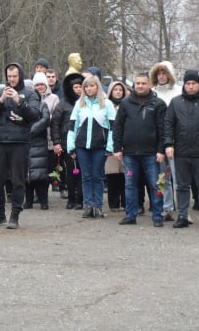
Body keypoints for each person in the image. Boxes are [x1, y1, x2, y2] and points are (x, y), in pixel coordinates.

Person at [0, 62, 41, 229]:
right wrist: (2, 99)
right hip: (0, 141)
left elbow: (34, 114)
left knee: (18, 180)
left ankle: (15, 215)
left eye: (15, 76)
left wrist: (18, 101)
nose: (12, 79)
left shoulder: (30, 93)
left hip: (20, 142)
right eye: (9, 77)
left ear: (21, 75)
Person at [164, 69, 199, 229]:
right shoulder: (176, 102)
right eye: (188, 83)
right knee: (182, 186)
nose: (190, 86)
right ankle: (182, 216)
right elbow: (168, 124)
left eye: (193, 83)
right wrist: (168, 144)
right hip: (181, 151)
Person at [113, 72, 167, 226]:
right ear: (134, 85)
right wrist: (117, 148)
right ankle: (131, 214)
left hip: (151, 154)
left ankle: (157, 216)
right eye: (138, 83)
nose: (140, 86)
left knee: (155, 184)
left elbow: (163, 129)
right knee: (130, 185)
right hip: (129, 154)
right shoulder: (125, 103)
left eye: (144, 83)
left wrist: (161, 150)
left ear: (150, 85)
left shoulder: (158, 104)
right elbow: (118, 127)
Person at [67, 74, 116, 219]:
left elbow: (113, 128)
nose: (89, 89)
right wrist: (71, 146)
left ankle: (98, 206)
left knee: (97, 176)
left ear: (97, 87)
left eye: (92, 86)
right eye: (86, 86)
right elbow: (72, 127)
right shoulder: (79, 104)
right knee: (86, 176)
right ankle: (88, 205)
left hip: (99, 145)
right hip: (82, 145)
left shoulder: (106, 104)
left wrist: (110, 147)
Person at [150, 61, 183, 220]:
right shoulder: (152, 93)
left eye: (164, 73)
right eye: (159, 73)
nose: (161, 76)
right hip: (159, 141)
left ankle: (182, 209)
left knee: (178, 177)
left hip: (177, 140)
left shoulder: (178, 92)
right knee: (163, 177)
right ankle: (167, 207)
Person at [52, 72, 85, 210]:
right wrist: (57, 142)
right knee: (71, 172)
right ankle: (71, 199)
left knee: (82, 173)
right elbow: (55, 124)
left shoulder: (86, 103)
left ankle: (81, 200)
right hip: (67, 144)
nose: (78, 89)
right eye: (75, 87)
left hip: (83, 143)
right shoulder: (62, 104)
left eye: (80, 87)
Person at [27, 72, 58, 210]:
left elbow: (45, 120)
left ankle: (43, 201)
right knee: (27, 175)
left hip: (39, 143)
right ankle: (27, 201)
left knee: (41, 174)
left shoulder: (43, 105)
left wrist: (30, 131)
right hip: (26, 144)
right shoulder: (24, 106)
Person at [104, 80, 128, 211]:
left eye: (120, 90)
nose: (118, 92)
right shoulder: (106, 105)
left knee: (125, 175)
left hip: (126, 144)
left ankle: (125, 202)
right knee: (112, 174)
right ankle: (113, 203)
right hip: (110, 144)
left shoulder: (128, 105)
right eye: (115, 90)